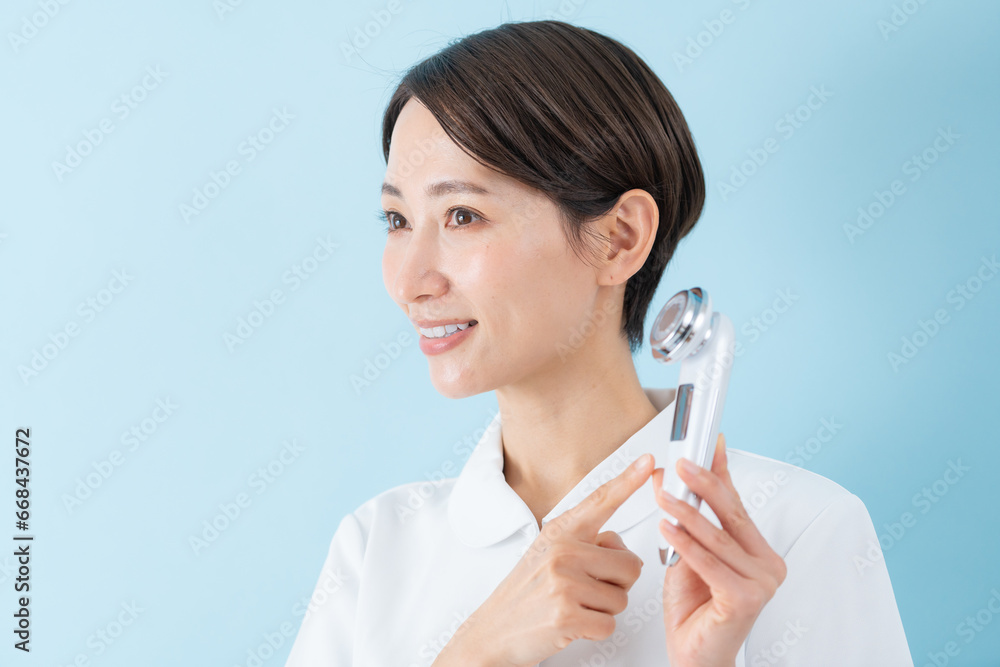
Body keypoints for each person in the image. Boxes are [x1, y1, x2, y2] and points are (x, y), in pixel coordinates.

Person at [285, 20, 913, 667]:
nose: (410, 282)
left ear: (619, 238)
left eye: (463, 216)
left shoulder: (796, 530)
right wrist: (477, 652)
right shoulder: (378, 545)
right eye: (397, 219)